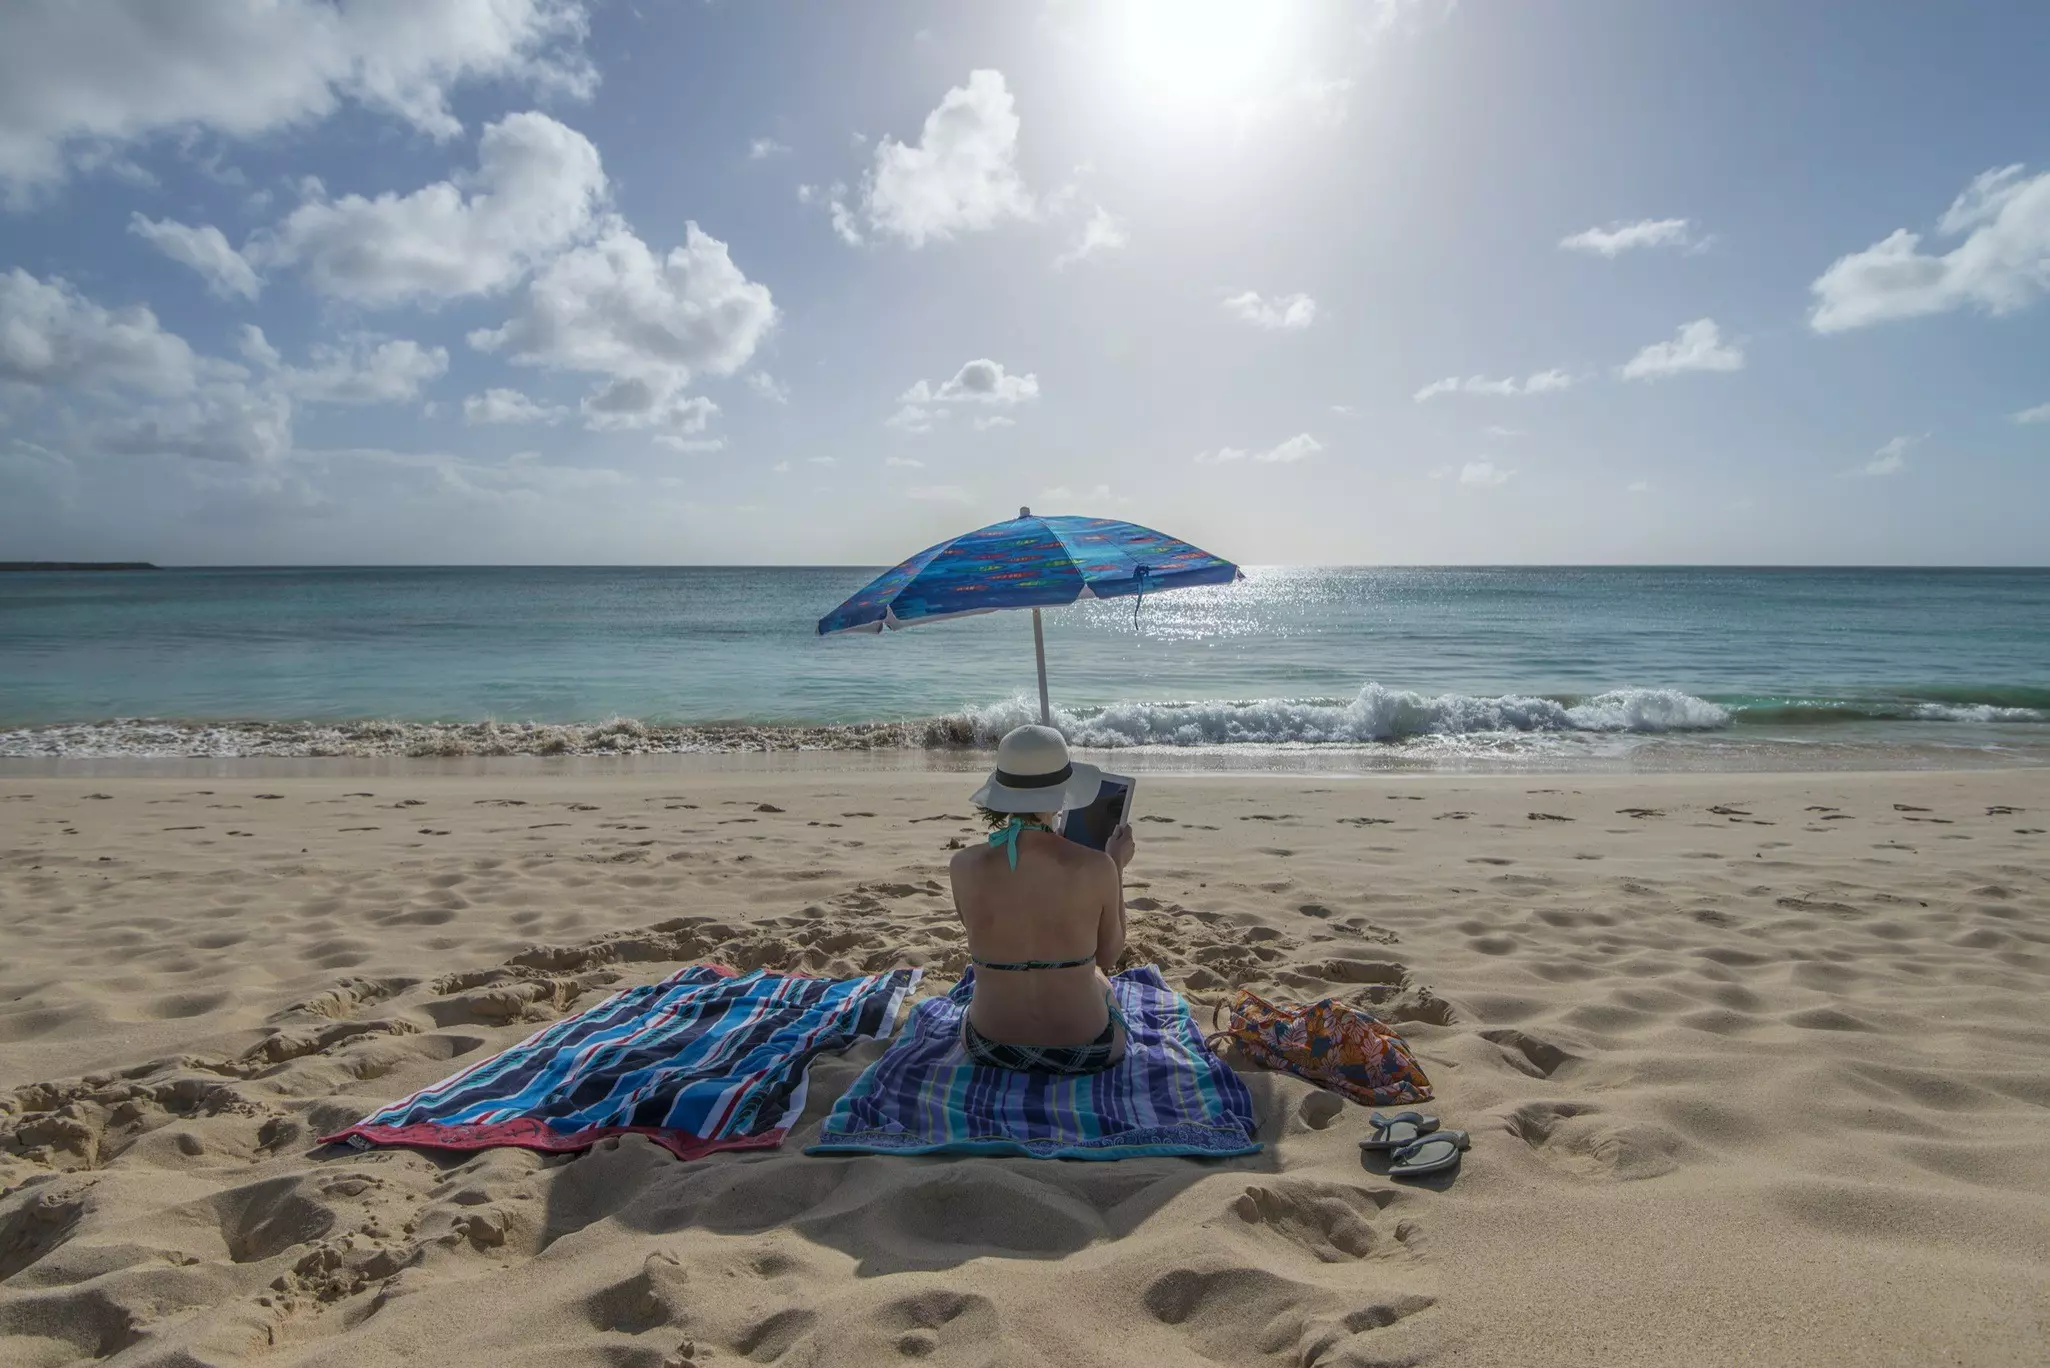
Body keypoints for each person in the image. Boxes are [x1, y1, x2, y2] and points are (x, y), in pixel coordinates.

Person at [949, 723, 1137, 1074]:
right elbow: (1109, 955)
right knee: (1100, 980)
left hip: (988, 1046)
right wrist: (1116, 866)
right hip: (1088, 1049)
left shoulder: (963, 865)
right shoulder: (1097, 866)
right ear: (1063, 792)